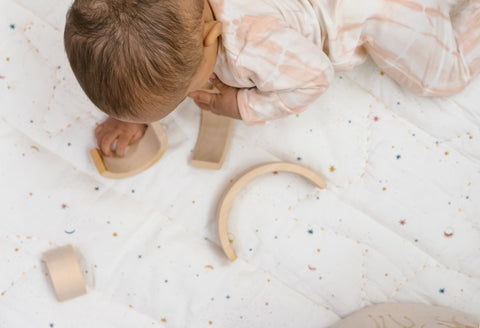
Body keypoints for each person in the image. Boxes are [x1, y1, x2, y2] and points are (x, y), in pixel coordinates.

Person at [64, 0, 480, 157]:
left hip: (371, 6)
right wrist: (132, 109)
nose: (194, 92)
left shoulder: (250, 44)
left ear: (215, 38)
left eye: (186, 89)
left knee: (446, 75)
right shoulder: (180, 20)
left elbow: (314, 77)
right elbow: (140, 39)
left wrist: (243, 105)